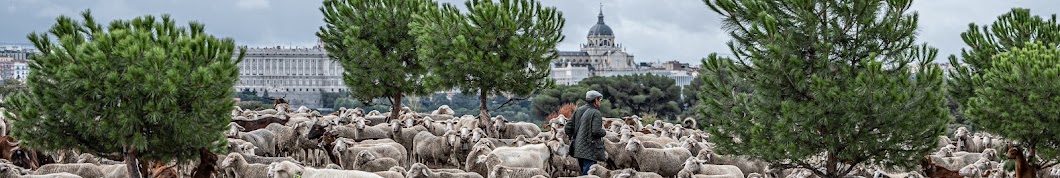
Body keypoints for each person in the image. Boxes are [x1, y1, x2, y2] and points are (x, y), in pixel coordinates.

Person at [565, 90, 606, 175]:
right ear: (595, 100)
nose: (600, 102)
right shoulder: (596, 112)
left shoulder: (579, 110)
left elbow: (568, 127)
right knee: (589, 174)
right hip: (590, 149)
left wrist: (575, 138)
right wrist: (604, 132)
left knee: (584, 172)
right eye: (599, 100)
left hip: (578, 147)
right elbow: (596, 131)